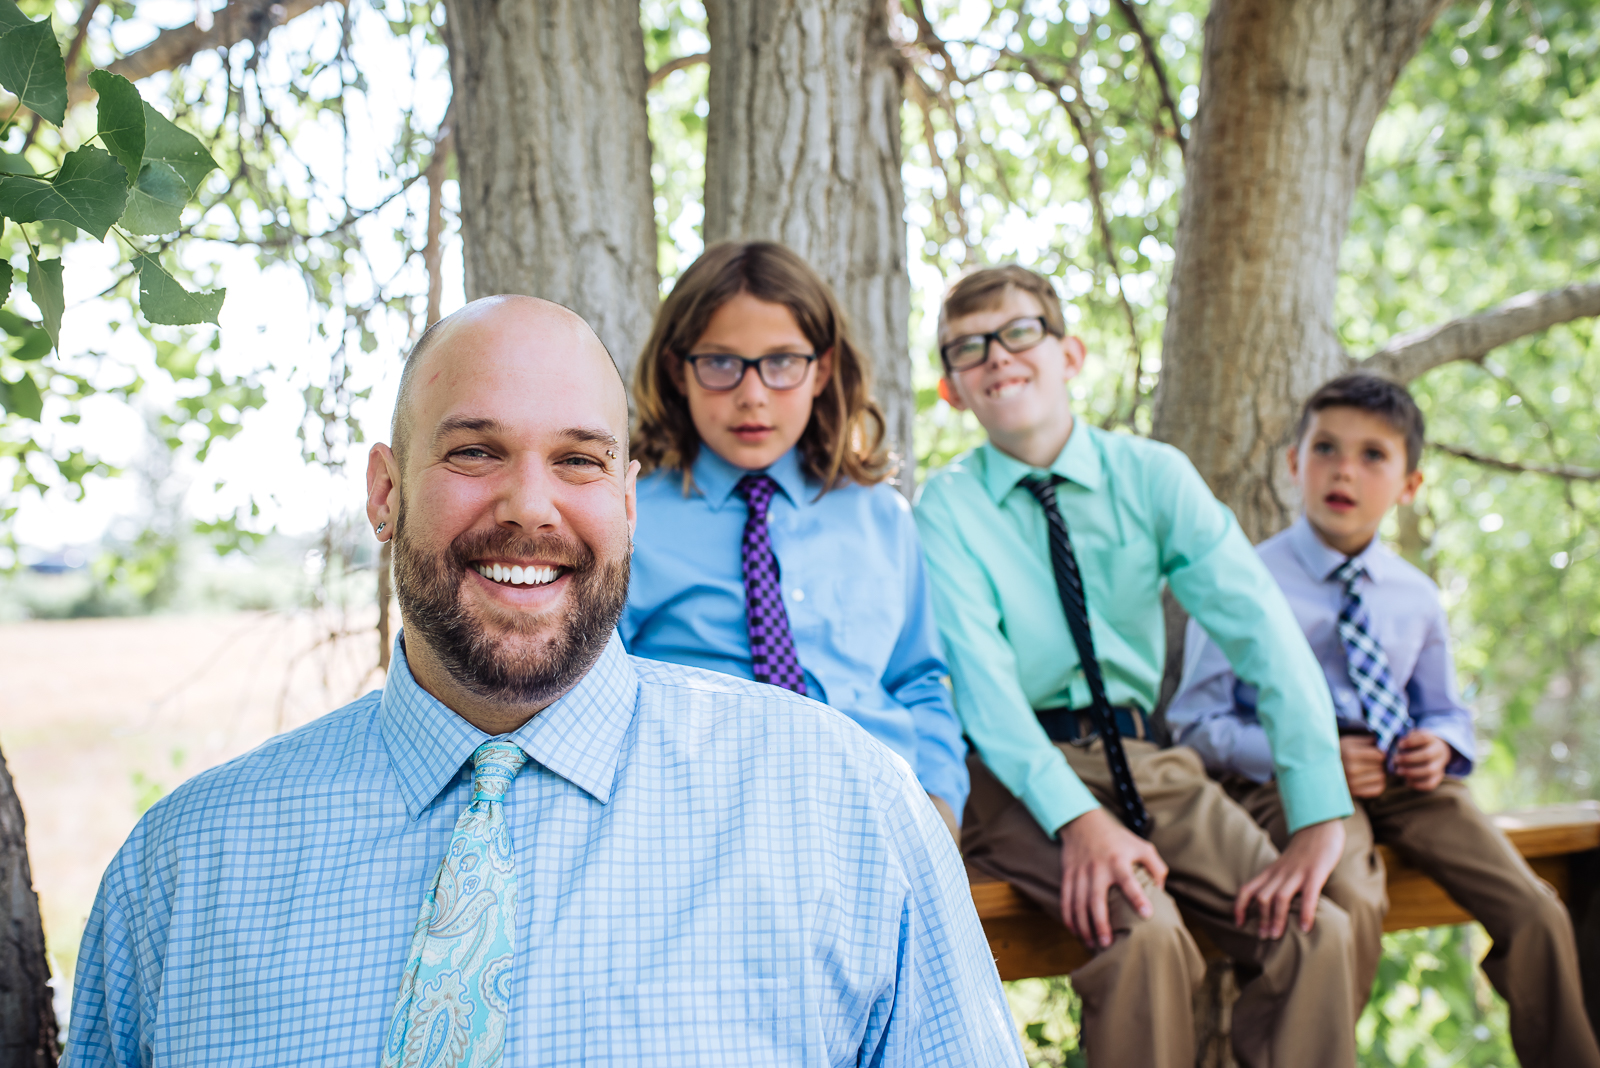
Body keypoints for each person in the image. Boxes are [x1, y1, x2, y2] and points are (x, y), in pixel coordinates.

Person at [65, 296, 1024, 1067]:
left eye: (577, 460)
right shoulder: (180, 875)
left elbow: (920, 675)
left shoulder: (850, 811)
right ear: (386, 493)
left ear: (627, 502)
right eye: (476, 451)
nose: (531, 506)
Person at [914, 264, 1359, 1068]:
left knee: (1316, 931)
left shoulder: (1153, 477)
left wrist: (1319, 807)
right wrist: (1079, 822)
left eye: (1019, 333)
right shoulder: (948, 508)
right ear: (952, 389)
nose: (997, 357)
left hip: (1149, 763)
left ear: (1070, 353)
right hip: (1021, 774)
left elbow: (1263, 630)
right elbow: (982, 688)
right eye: (968, 349)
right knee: (1148, 936)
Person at [1167, 372, 1600, 1067]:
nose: (1345, 469)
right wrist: (1305, 760)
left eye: (1374, 455)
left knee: (1539, 910)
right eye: (1327, 448)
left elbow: (1446, 712)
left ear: (1409, 484)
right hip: (1294, 777)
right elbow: (1194, 724)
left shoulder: (1415, 595)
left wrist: (1444, 747)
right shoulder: (1244, 581)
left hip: (1408, 778)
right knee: (1349, 904)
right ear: (1293, 464)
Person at [621, 241, 969, 836]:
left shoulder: (881, 517)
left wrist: (940, 804)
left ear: (822, 369)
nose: (752, 394)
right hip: (703, 827)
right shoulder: (626, 520)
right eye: (721, 363)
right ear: (680, 369)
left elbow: (918, 679)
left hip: (879, 815)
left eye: (781, 362)